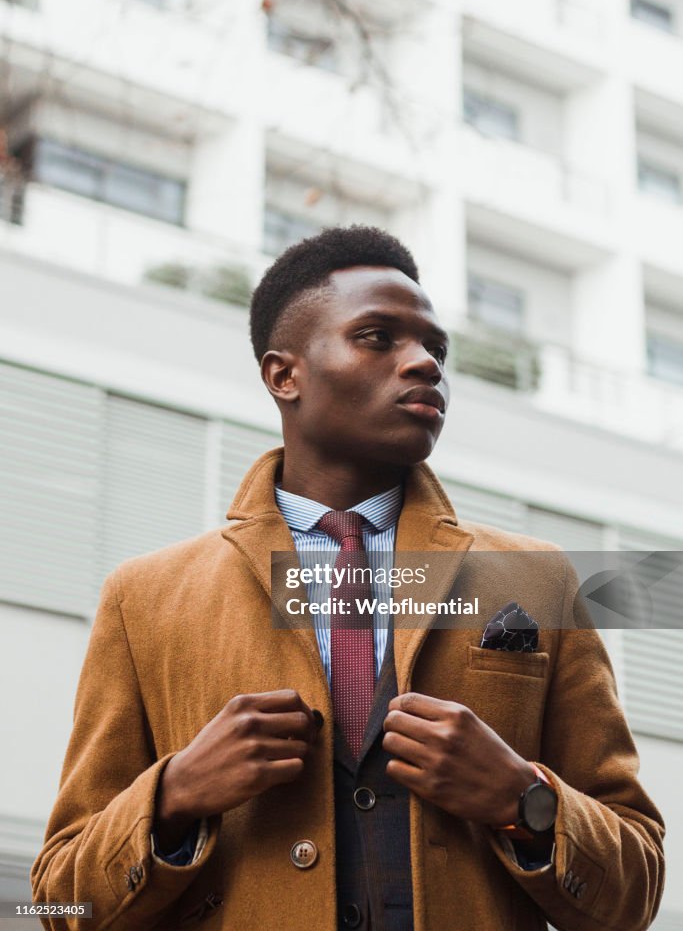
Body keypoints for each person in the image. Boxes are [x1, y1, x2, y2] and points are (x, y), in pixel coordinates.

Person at [31, 226, 664, 931]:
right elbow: (60, 902)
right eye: (377, 337)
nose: (424, 362)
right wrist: (174, 796)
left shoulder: (532, 583)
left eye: (435, 348)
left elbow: (633, 895)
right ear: (284, 375)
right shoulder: (144, 597)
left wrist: (523, 800)